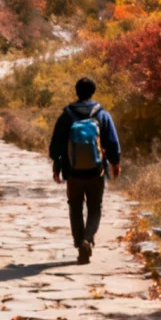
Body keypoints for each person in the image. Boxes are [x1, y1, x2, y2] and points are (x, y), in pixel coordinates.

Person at [49, 76, 121, 263]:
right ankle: (88, 239)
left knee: (75, 206)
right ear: (93, 92)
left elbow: (57, 144)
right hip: (96, 171)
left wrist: (57, 165)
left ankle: (79, 240)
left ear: (77, 91)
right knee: (95, 207)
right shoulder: (102, 115)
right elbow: (112, 142)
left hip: (72, 172)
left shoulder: (67, 115)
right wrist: (115, 163)